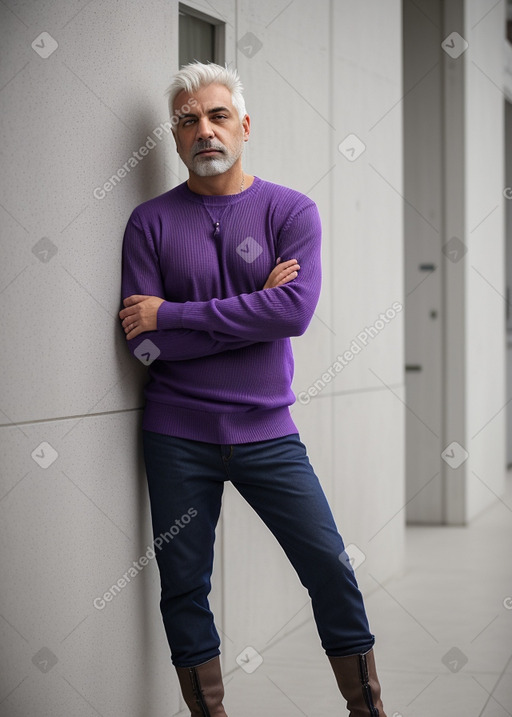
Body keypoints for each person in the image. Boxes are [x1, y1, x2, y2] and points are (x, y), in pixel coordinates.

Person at [119, 61, 387, 717]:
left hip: (268, 431)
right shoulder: (149, 222)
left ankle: (368, 708)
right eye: (187, 120)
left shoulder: (291, 210)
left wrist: (176, 313)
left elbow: (291, 313)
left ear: (244, 124)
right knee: (184, 584)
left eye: (215, 115)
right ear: (175, 139)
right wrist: (250, 308)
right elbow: (142, 342)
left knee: (329, 565)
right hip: (176, 434)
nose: (202, 129)